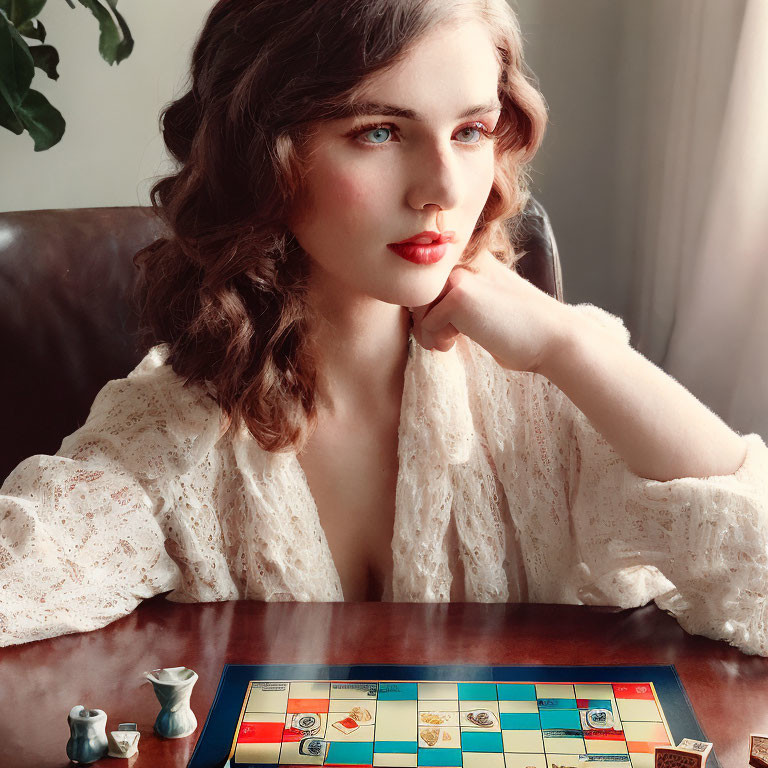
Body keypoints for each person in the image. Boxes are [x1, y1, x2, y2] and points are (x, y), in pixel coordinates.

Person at [1, 0, 766, 654]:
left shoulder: (557, 391)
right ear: (263, 157)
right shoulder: (171, 431)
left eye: (470, 131)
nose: (441, 188)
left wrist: (572, 346)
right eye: (379, 132)